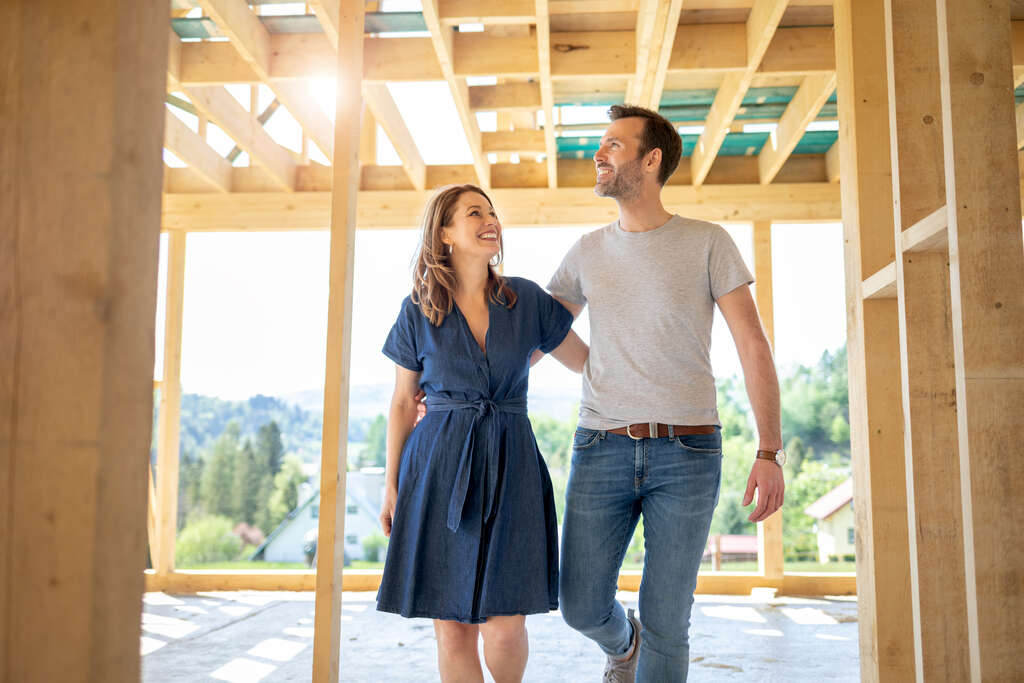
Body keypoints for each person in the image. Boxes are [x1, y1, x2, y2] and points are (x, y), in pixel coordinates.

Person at [546, 105, 786, 682]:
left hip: (690, 453)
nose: (598, 155)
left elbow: (752, 345)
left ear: (651, 161)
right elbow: (539, 335)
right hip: (600, 445)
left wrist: (770, 449)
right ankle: (622, 647)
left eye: (614, 145)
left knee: (668, 619)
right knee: (578, 604)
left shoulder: (708, 243)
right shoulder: (586, 250)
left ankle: (645, 646)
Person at [376, 184, 589, 683]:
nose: (490, 219)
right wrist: (391, 486)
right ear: (445, 232)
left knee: (505, 623)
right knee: (451, 628)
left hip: (512, 463)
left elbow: (586, 363)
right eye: (475, 212)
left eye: (492, 212)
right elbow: (404, 402)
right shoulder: (417, 310)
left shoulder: (527, 299)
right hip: (435, 468)